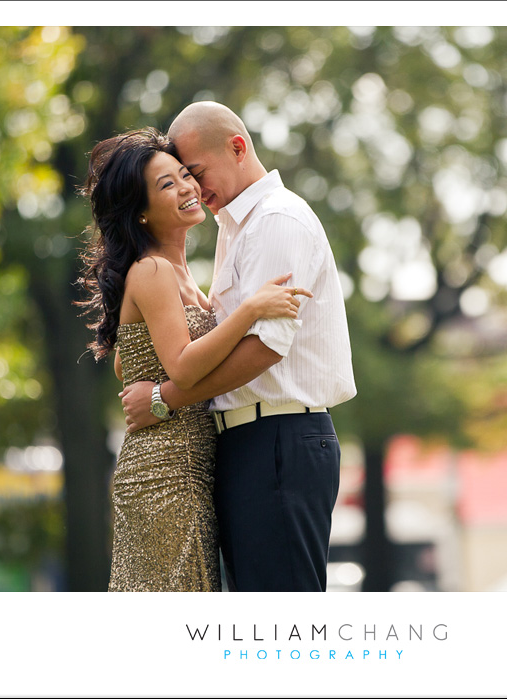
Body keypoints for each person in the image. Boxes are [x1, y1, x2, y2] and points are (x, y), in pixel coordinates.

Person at [120, 102, 357, 592]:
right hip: (245, 443)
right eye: (179, 177)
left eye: (196, 171)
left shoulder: (275, 220)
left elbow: (267, 348)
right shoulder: (232, 227)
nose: (193, 187)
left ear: (237, 147)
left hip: (278, 436)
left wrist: (166, 398)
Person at [76, 127, 311, 591]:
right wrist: (251, 309)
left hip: (194, 468)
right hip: (165, 474)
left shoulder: (182, 276)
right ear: (140, 213)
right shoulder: (154, 270)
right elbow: (183, 365)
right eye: (167, 184)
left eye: (186, 174)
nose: (188, 188)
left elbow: (133, 364)